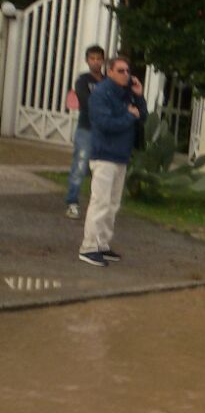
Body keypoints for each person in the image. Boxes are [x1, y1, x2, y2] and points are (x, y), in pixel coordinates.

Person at [78, 57, 145, 268]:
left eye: (128, 70)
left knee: (113, 204)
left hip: (120, 156)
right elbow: (105, 123)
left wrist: (139, 97)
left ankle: (102, 244)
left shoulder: (126, 94)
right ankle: (89, 247)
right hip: (104, 155)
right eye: (121, 70)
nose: (126, 74)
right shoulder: (100, 94)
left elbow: (142, 116)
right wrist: (128, 116)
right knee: (100, 202)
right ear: (110, 72)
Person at [64, 45, 106, 219]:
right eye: (92, 58)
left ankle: (98, 207)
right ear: (87, 60)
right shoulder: (83, 80)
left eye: (98, 58)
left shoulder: (108, 81)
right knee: (80, 166)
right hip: (87, 129)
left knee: (102, 170)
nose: (95, 62)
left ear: (103, 60)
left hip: (105, 131)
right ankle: (72, 202)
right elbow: (86, 101)